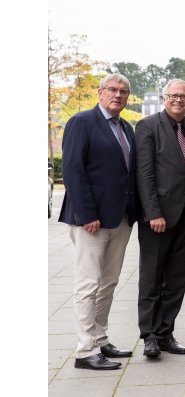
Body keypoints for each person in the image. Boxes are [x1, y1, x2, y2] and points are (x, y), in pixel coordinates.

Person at [59, 73, 138, 370]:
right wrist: (86, 214)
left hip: (121, 218)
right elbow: (73, 170)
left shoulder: (125, 127)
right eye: (112, 90)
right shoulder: (82, 122)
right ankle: (84, 351)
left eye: (123, 92)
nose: (118, 95)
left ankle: (100, 338)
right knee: (88, 284)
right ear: (100, 92)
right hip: (91, 220)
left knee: (109, 282)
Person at [134, 79, 185, 358]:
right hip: (158, 218)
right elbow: (145, 173)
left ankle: (166, 333)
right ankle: (149, 335)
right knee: (152, 277)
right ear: (165, 98)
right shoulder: (148, 126)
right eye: (174, 95)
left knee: (176, 278)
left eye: (184, 97)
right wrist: (153, 212)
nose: (179, 100)